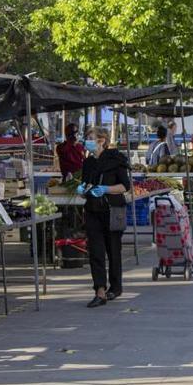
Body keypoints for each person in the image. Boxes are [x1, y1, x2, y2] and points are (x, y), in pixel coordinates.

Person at [77, 127, 131, 308]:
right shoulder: (88, 163)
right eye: (87, 138)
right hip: (92, 210)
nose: (87, 141)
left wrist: (107, 189)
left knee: (113, 250)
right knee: (96, 251)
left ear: (102, 140)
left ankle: (115, 287)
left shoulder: (116, 160)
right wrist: (82, 190)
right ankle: (99, 290)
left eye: (90, 138)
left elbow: (125, 186)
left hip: (112, 210)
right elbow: (85, 185)